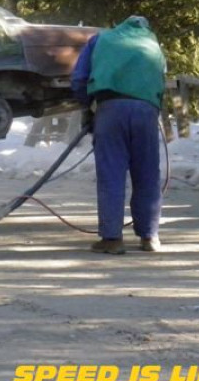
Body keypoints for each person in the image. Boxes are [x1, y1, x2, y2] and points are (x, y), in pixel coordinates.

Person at [71, 16, 167, 255]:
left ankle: (112, 239)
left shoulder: (101, 39)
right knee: (147, 174)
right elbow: (160, 81)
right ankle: (149, 236)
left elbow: (79, 79)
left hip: (110, 109)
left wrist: (88, 106)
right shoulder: (153, 44)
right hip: (146, 112)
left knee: (111, 174)